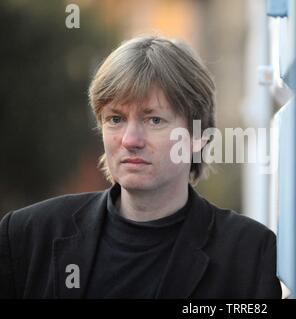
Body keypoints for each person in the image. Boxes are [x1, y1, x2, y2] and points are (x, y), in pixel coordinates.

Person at [0, 36, 281, 298]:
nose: (130, 140)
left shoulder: (248, 252)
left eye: (154, 120)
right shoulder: (27, 237)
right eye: (115, 119)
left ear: (198, 138)